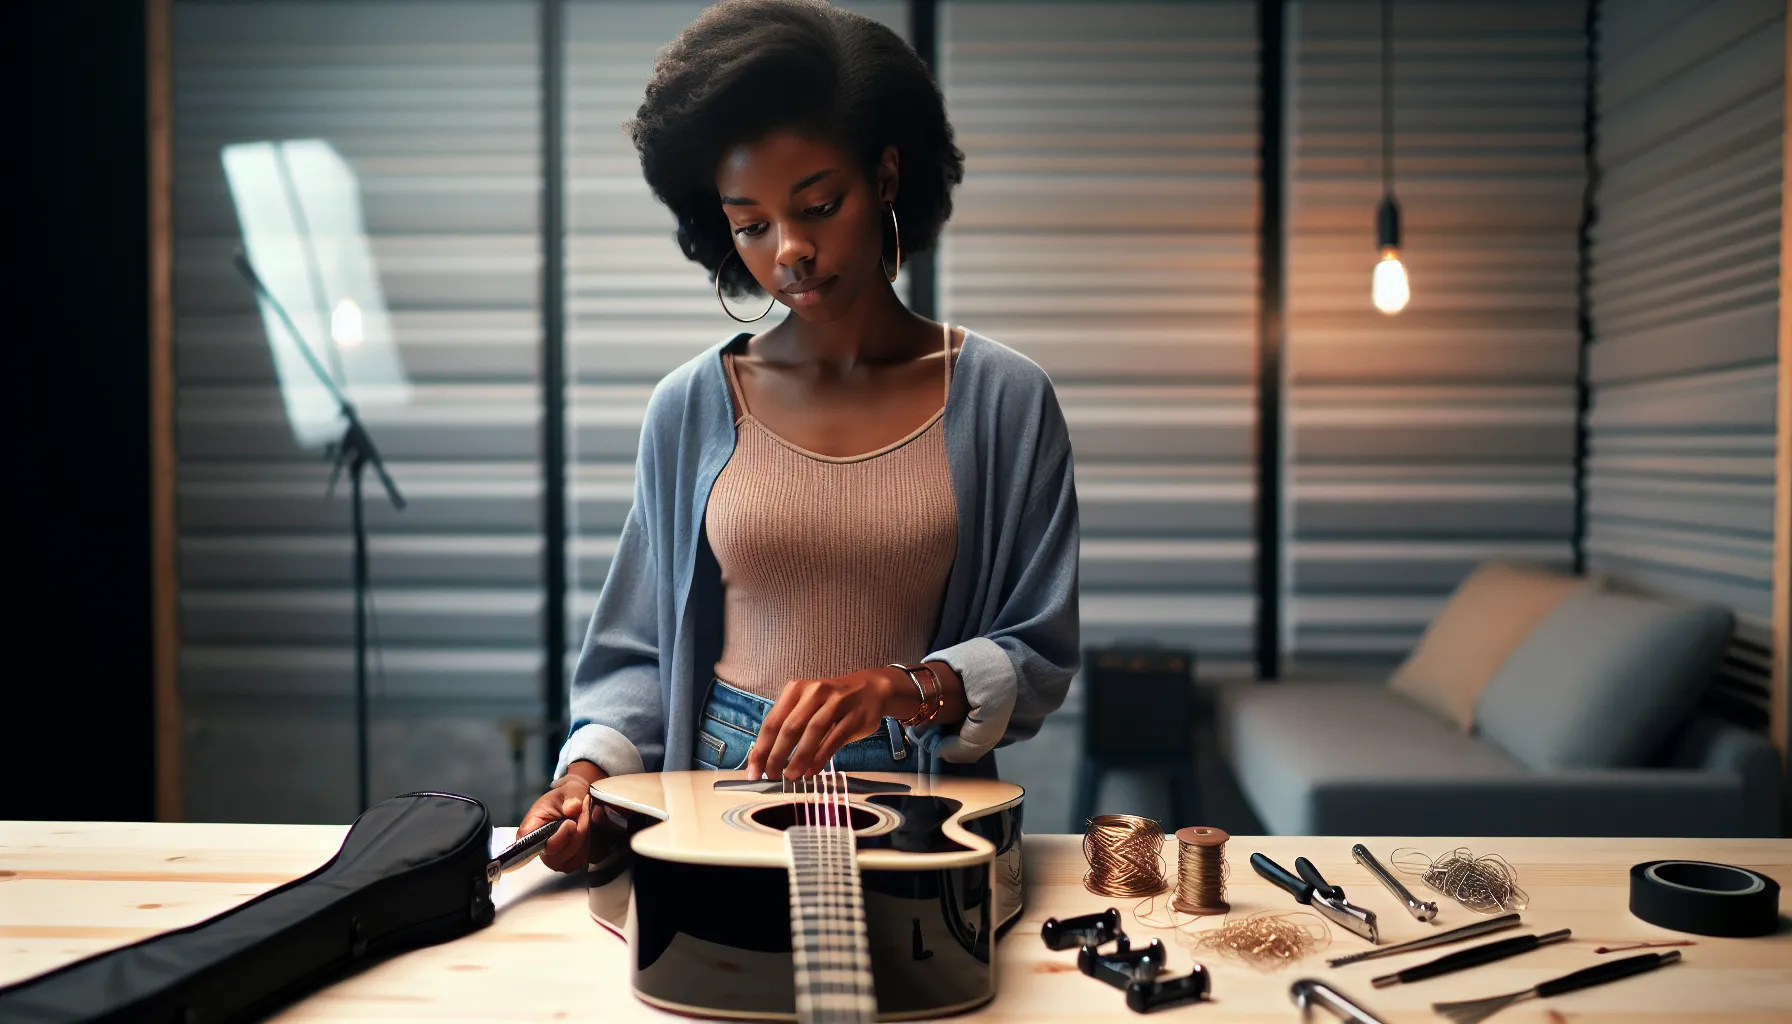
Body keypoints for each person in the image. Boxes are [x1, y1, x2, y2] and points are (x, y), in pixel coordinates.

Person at [521, 0, 1080, 872]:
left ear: (887, 176)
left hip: (927, 793)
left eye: (819, 205)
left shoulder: (1006, 400)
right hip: (717, 785)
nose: (790, 252)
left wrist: (908, 686)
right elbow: (637, 651)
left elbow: (1040, 649)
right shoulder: (690, 408)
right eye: (751, 224)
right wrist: (587, 774)